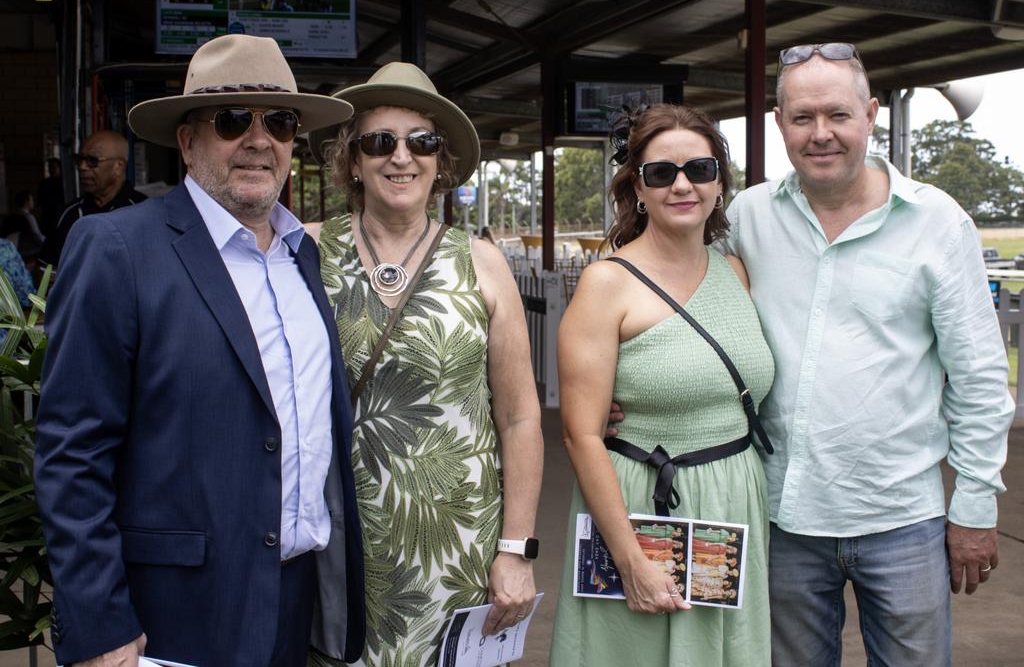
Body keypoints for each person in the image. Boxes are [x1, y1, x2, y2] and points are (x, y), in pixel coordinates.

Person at [34, 34, 365, 667]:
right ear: (187, 142)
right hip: (172, 613)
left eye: (281, 122)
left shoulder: (304, 256)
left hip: (295, 601)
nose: (259, 139)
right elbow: (72, 451)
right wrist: (99, 622)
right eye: (233, 120)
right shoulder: (117, 249)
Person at [721, 42, 1014, 665]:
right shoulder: (748, 217)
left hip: (902, 516)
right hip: (782, 518)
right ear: (779, 124)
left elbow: (980, 378)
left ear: (871, 114)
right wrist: (626, 397)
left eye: (837, 115)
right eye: (802, 118)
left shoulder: (937, 222)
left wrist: (975, 504)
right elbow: (687, 311)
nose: (820, 134)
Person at [310, 62, 543, 667]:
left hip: (458, 543)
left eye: (422, 142)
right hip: (335, 542)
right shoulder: (303, 250)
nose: (401, 157)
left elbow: (519, 417)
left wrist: (515, 549)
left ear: (442, 162)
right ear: (352, 160)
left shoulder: (483, 262)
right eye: (379, 141)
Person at [551, 104, 775, 665]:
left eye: (699, 170)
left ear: (720, 184)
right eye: (661, 173)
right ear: (638, 189)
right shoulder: (608, 284)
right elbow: (581, 435)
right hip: (643, 506)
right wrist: (627, 556)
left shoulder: (736, 272)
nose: (682, 185)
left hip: (733, 500)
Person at [39, 130, 147, 265]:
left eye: (92, 161)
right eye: (80, 160)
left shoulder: (145, 212)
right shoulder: (68, 214)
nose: (82, 167)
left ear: (118, 167)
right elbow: (47, 269)